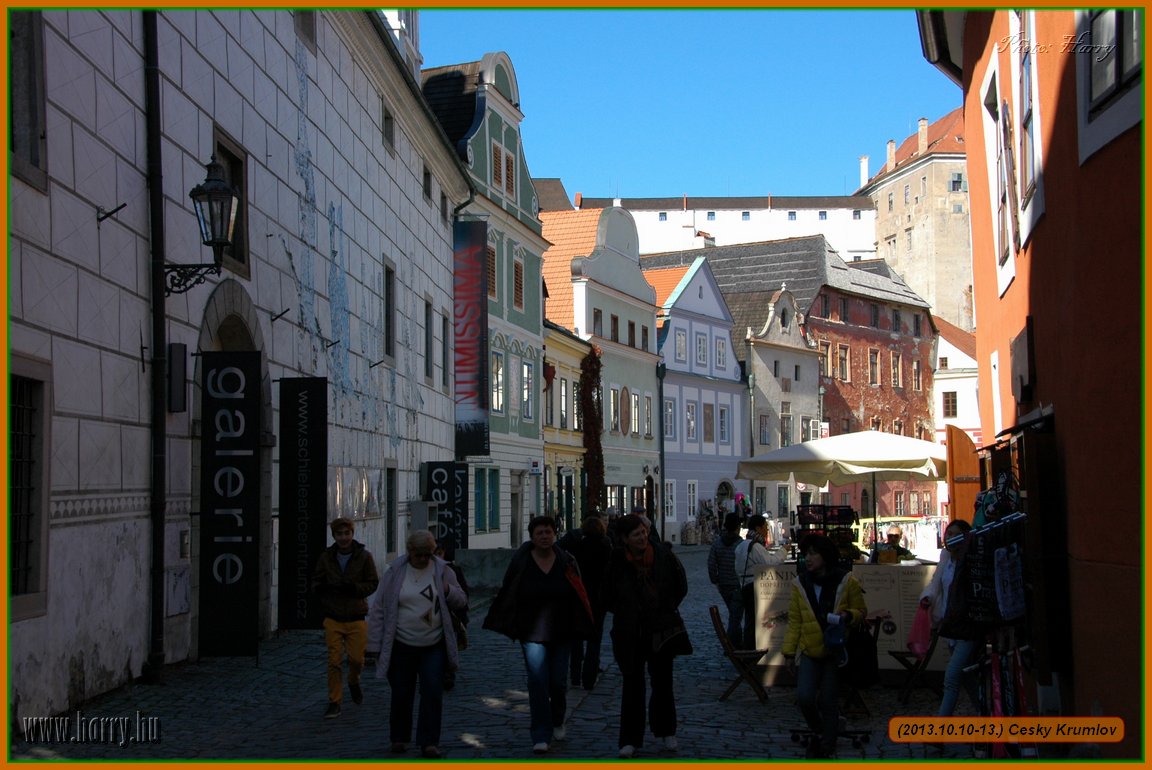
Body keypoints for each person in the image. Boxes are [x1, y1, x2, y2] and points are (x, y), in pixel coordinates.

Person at [482, 515, 594, 755]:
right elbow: (509, 589)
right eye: (539, 533)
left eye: (548, 532)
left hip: (562, 631)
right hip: (531, 632)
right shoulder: (522, 561)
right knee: (537, 682)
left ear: (554, 534)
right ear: (532, 537)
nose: (544, 536)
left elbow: (579, 591)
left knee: (558, 682)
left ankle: (558, 719)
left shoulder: (566, 560)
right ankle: (541, 733)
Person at [366, 530, 467, 759]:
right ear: (410, 552)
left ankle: (429, 741)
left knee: (432, 690)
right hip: (401, 643)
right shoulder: (395, 573)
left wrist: (448, 590)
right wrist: (374, 644)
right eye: (418, 555)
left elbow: (462, 600)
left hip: (433, 643)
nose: (423, 559)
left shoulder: (443, 570)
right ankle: (399, 737)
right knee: (401, 692)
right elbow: (380, 608)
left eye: (427, 554)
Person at [603, 513, 690, 759]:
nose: (642, 537)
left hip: (661, 628)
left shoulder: (663, 555)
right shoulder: (617, 561)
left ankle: (667, 730)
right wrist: (627, 611)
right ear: (625, 539)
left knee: (663, 683)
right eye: (636, 534)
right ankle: (630, 740)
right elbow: (606, 594)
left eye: (643, 532)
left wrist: (664, 609)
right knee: (632, 685)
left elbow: (680, 586)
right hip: (629, 631)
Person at [781, 533, 867, 759]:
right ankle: (823, 730)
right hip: (810, 650)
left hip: (834, 651)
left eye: (813, 554)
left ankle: (826, 746)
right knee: (805, 697)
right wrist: (789, 653)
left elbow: (861, 611)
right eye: (805, 554)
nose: (808, 558)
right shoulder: (800, 584)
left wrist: (848, 615)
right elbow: (795, 621)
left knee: (828, 700)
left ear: (825, 556)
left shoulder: (846, 581)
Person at [311, 517, 380, 720]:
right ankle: (335, 701)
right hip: (332, 615)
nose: (343, 538)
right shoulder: (326, 557)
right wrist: (323, 589)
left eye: (346, 533)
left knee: (356, 659)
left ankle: (353, 680)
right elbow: (316, 581)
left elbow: (373, 582)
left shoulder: (364, 557)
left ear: (352, 534)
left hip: (356, 615)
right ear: (334, 536)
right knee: (334, 660)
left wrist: (355, 589)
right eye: (339, 534)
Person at [919, 519, 981, 716]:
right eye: (949, 534)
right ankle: (986, 715)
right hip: (951, 626)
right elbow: (936, 584)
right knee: (967, 677)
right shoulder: (946, 559)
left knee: (952, 677)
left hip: (967, 627)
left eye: (956, 534)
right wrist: (928, 597)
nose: (950, 538)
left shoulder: (971, 561)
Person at [561, 515, 613, 690]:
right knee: (594, 638)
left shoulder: (577, 545)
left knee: (576, 636)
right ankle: (589, 678)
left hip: (579, 595)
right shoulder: (606, 545)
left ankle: (575, 676)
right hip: (599, 597)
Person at [733, 514, 778, 649]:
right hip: (753, 586)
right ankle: (752, 648)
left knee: (750, 619)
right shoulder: (755, 546)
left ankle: (749, 646)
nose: (767, 530)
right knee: (754, 620)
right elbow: (770, 563)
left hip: (744, 585)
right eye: (765, 527)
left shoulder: (741, 545)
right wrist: (783, 551)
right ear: (758, 528)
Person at [434, 544, 470, 692]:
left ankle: (447, 674)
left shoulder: (451, 570)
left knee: (446, 646)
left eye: (439, 553)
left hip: (449, 618)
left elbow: (463, 597)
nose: (436, 557)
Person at [707, 512, 744, 642]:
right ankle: (730, 644)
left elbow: (711, 564)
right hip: (738, 585)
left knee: (734, 614)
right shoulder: (741, 544)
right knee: (735, 617)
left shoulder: (717, 544)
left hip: (724, 585)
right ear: (738, 527)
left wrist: (716, 580)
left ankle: (737, 643)